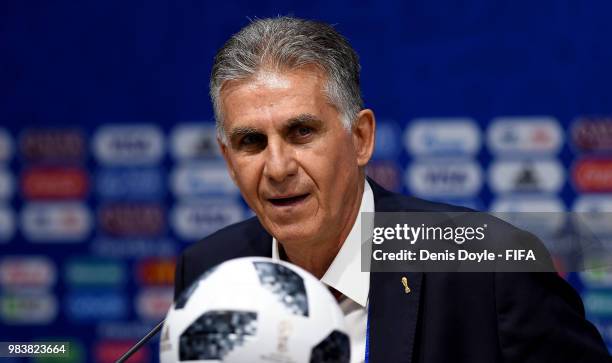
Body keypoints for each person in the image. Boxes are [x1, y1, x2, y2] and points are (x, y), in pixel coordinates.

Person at [174, 17, 610, 362]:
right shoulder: (211, 271)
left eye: (302, 132)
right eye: (251, 142)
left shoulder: (488, 267)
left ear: (361, 138)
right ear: (229, 161)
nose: (277, 166)